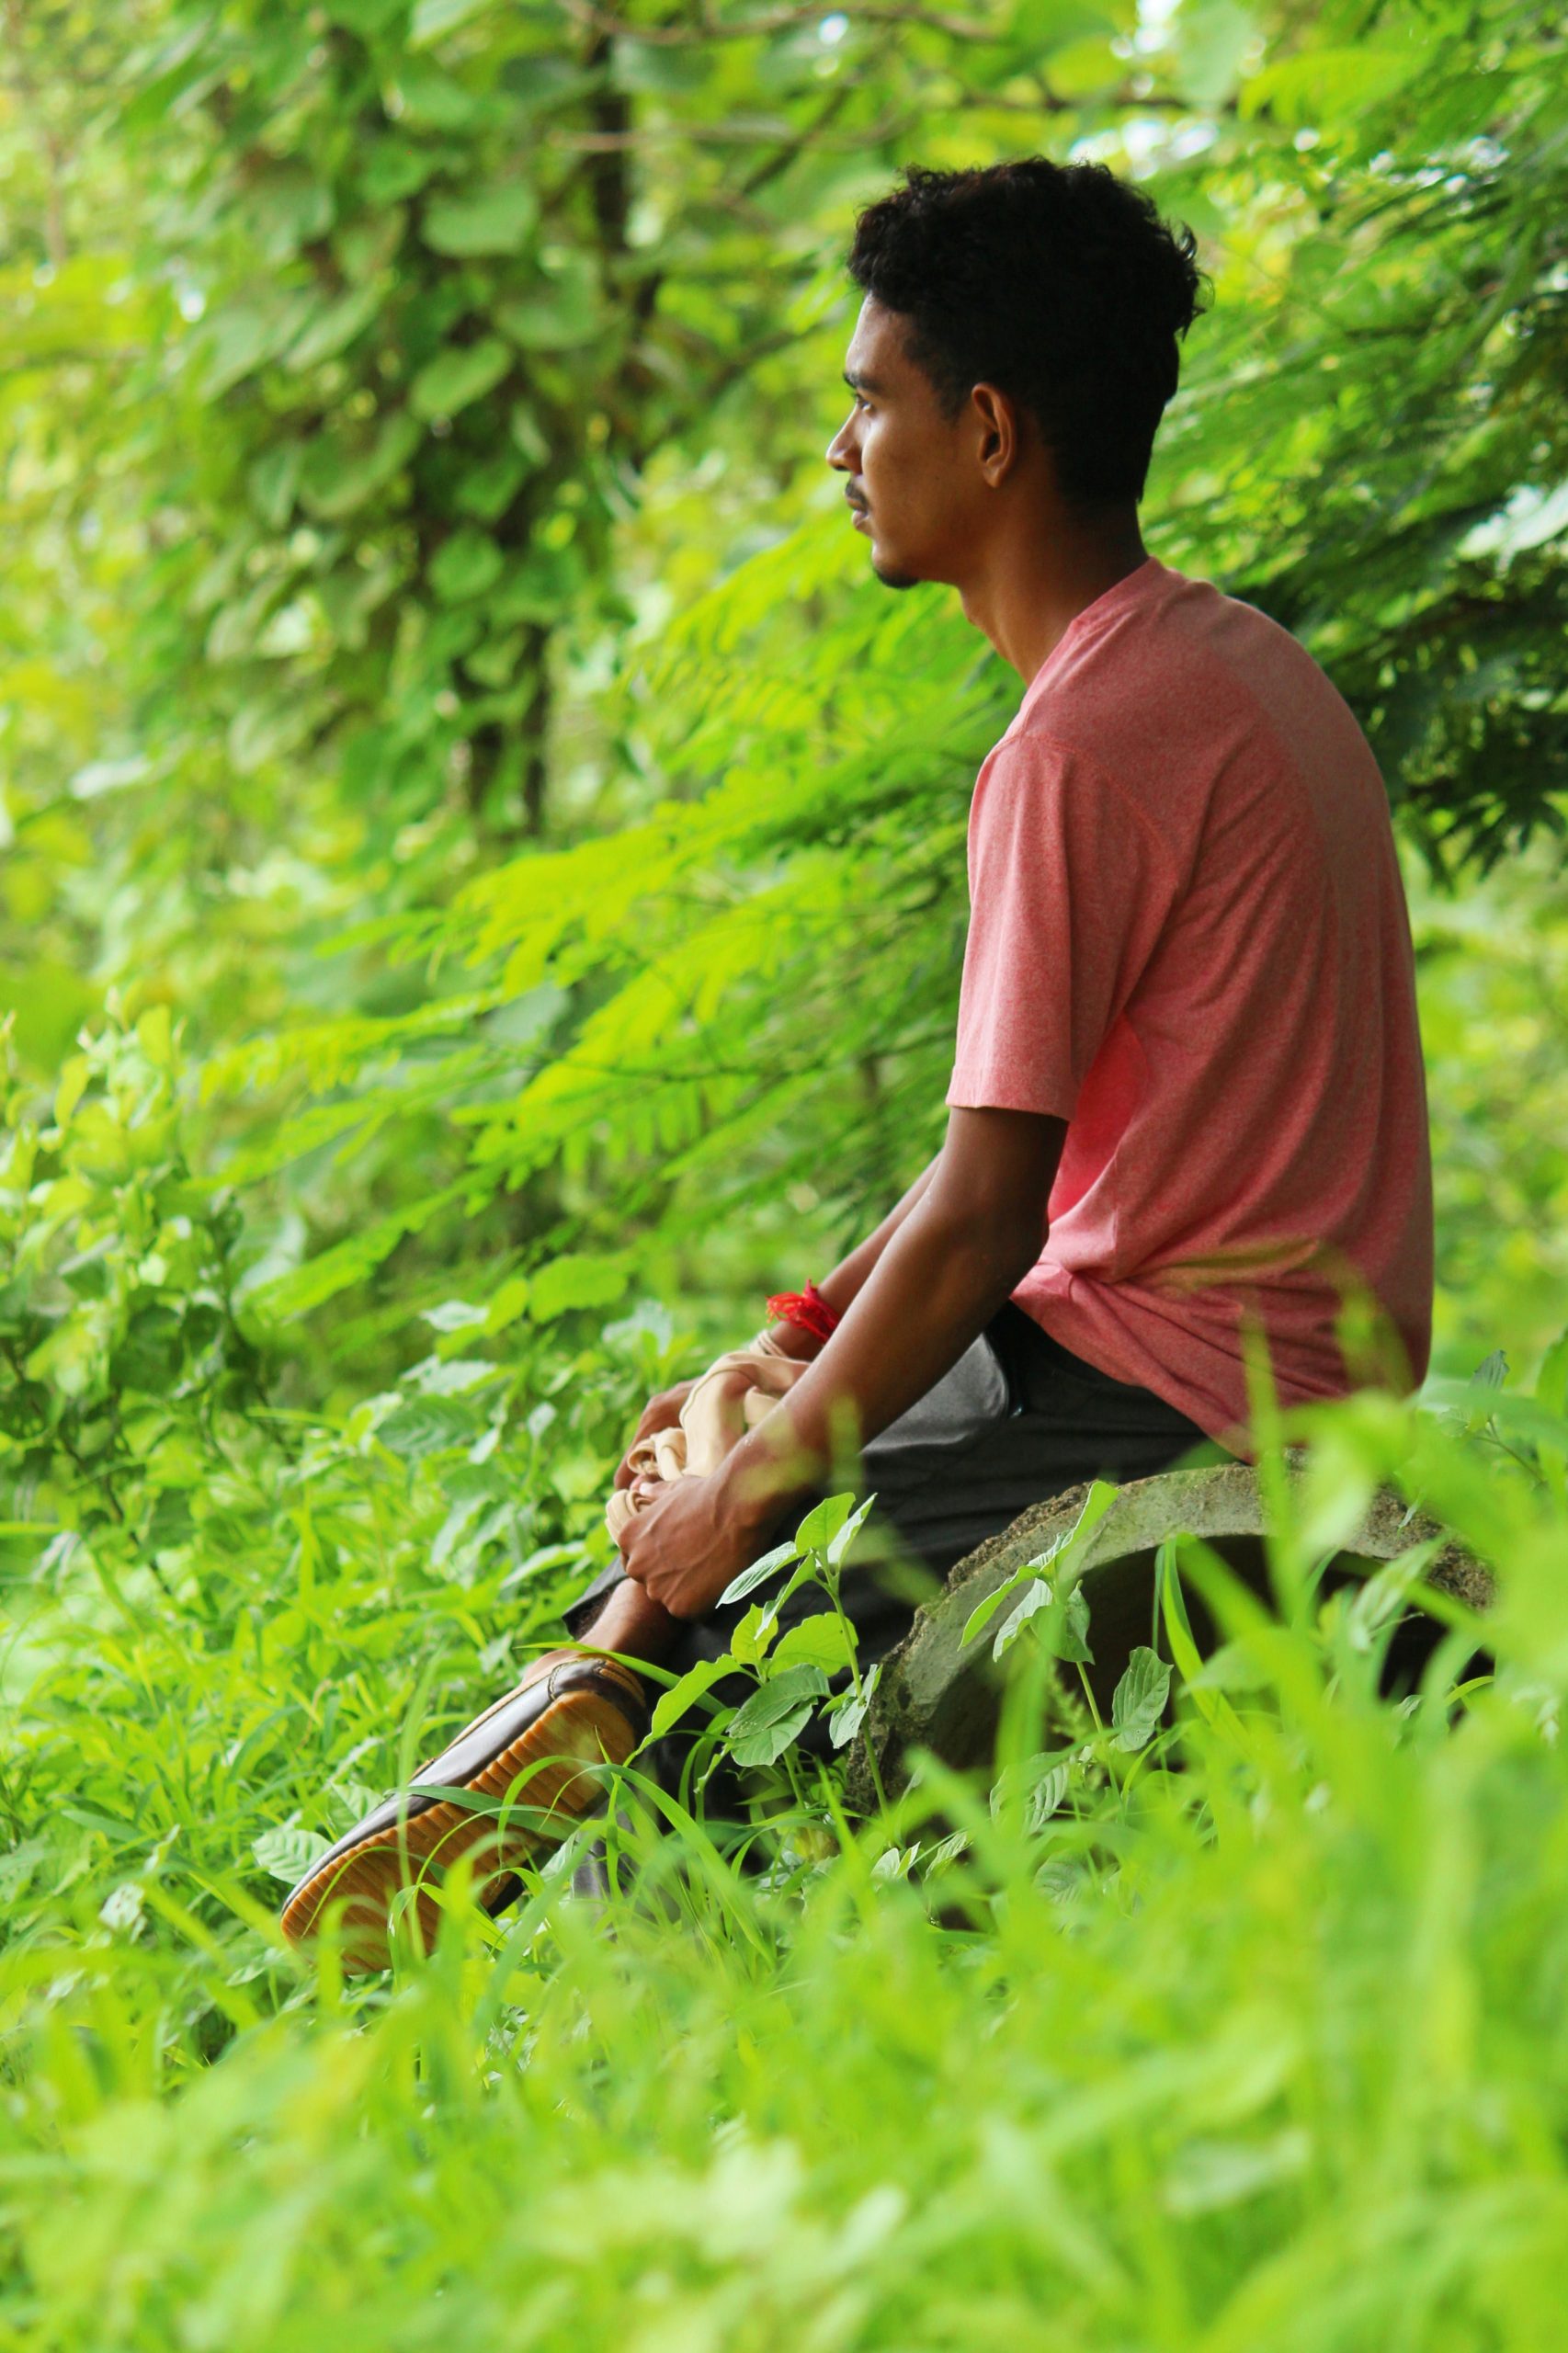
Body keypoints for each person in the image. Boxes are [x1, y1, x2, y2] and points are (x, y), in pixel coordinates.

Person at [281, 157, 1434, 1965]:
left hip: (1190, 1383)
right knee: (749, 1457)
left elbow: (989, 1212)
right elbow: (1016, 1169)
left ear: (984, 430)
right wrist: (804, 1346)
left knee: (732, 1648)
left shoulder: (1076, 748)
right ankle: (557, 1703)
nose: (840, 448)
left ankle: (574, 1803)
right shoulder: (1239, 669)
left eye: (865, 401)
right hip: (1196, 1334)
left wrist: (760, 1477)